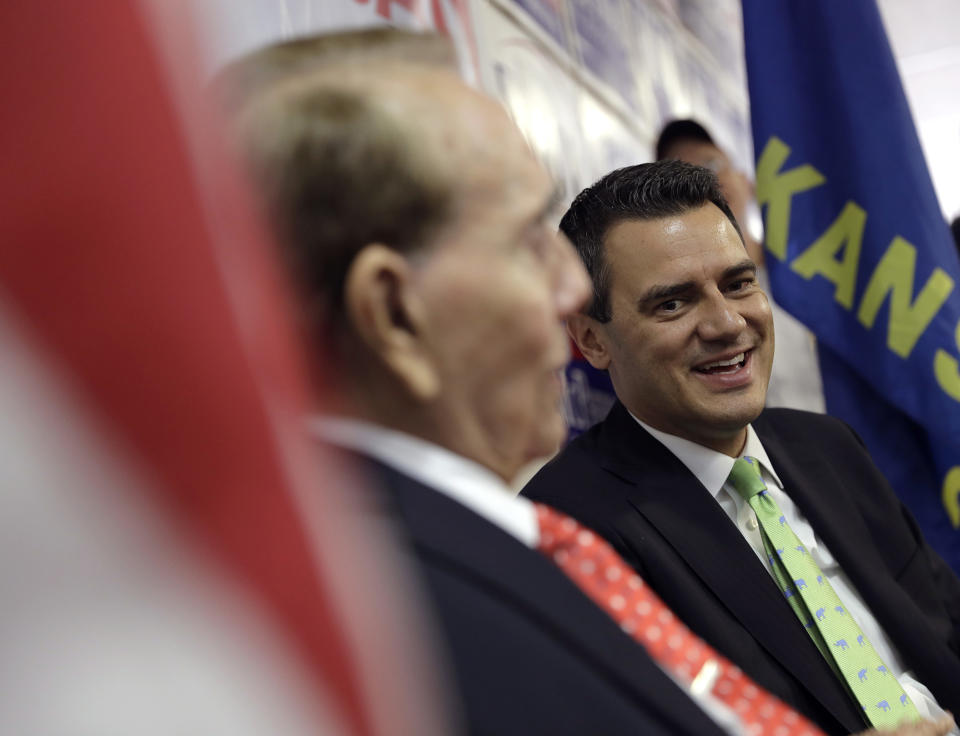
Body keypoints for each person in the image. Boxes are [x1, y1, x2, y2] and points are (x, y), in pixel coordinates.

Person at [218, 29, 956, 736]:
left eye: (738, 283)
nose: (568, 288)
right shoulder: (390, 607)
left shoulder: (824, 450)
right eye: (522, 239)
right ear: (391, 310)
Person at [522, 160, 960, 736]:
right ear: (591, 339)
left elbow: (945, 627)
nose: (728, 323)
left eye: (738, 283)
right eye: (673, 303)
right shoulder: (566, 529)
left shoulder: (828, 447)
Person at [656, 119, 826, 413]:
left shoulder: (813, 277)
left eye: (711, 164)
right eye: (684, 175)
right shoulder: (693, 311)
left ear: (746, 181)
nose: (705, 181)